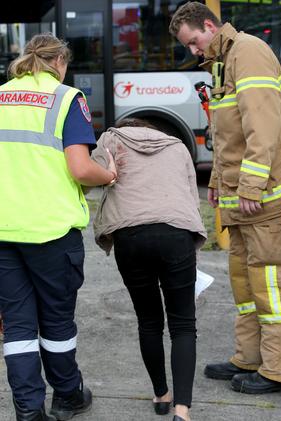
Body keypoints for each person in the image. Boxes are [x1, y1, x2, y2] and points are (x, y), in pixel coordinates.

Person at [169, 2, 281, 394]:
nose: (193, 51)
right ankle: (250, 358)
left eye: (194, 41)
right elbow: (229, 135)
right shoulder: (222, 61)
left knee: (275, 285)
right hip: (241, 202)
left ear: (210, 26)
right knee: (247, 287)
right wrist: (216, 181)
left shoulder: (247, 52)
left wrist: (248, 186)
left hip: (264, 200)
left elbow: (261, 127)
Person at [0, 33, 117, 421]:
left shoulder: (1, 95)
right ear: (60, 62)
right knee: (56, 320)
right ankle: (67, 395)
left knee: (17, 325)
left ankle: (29, 412)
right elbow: (81, 168)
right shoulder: (67, 98)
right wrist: (109, 175)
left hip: (4, 230)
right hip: (50, 231)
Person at [91, 118, 207, 421]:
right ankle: (182, 409)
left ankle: (161, 395)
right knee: (183, 325)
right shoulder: (178, 146)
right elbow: (191, 199)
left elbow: (89, 176)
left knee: (149, 321)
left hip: (131, 237)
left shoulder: (111, 140)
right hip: (177, 235)